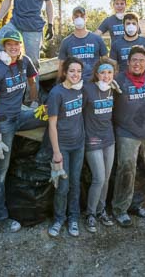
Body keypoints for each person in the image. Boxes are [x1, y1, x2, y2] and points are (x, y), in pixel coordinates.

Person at [0, 29, 43, 232]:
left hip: (21, 114)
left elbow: (32, 79)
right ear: (4, 47)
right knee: (1, 169)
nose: (14, 48)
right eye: (9, 45)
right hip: (3, 122)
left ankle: (46, 159)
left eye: (16, 44)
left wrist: (34, 102)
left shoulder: (24, 61)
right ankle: (0, 216)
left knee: (50, 115)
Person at [111, 45, 145, 227]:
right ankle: (120, 209)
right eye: (134, 60)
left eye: (141, 60)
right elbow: (100, 89)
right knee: (126, 168)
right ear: (128, 62)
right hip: (126, 132)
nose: (138, 63)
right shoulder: (118, 80)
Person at [47, 57, 86, 238]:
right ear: (65, 72)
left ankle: (73, 219)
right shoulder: (57, 93)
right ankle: (59, 219)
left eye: (78, 71)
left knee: (75, 183)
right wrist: (56, 152)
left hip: (79, 145)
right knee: (63, 185)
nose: (75, 74)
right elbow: (52, 125)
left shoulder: (81, 90)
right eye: (72, 71)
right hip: (62, 146)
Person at [82, 57, 119, 233]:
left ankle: (101, 210)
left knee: (106, 178)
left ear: (113, 74)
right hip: (93, 139)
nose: (106, 76)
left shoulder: (113, 89)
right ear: (97, 74)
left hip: (109, 139)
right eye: (103, 72)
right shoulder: (88, 89)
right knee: (99, 178)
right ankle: (90, 214)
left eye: (109, 72)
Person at [58, 6, 108, 81]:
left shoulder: (97, 39)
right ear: (72, 19)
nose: (79, 18)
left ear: (86, 18)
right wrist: (59, 84)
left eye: (82, 16)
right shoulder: (66, 42)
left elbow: (105, 62)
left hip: (94, 82)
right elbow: (61, 66)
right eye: (76, 16)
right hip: (74, 83)